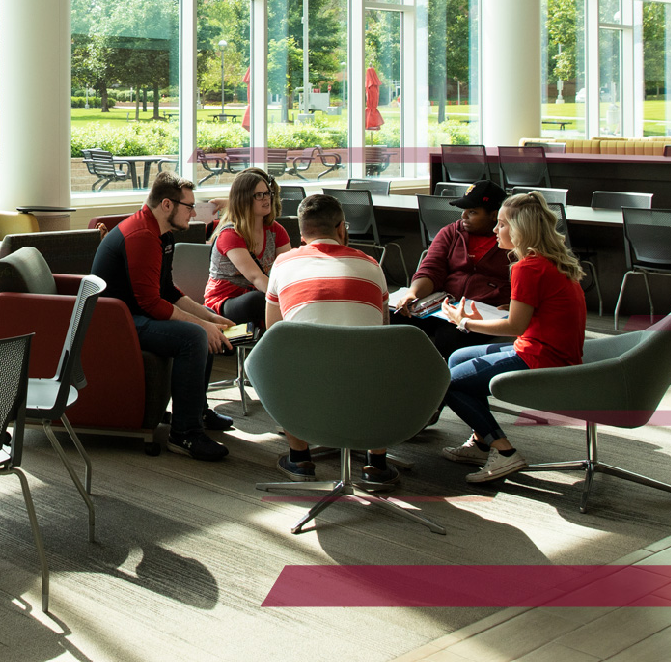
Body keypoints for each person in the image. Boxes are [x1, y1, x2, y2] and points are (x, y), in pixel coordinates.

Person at [438, 191, 587, 484]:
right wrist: (503, 314)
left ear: (521, 230)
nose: (495, 229)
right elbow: (531, 315)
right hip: (552, 349)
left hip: (542, 357)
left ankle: (504, 451)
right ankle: (481, 442)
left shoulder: (527, 267)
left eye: (502, 224)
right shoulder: (549, 261)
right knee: (458, 357)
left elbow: (515, 327)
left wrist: (465, 322)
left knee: (448, 381)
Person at [92, 171, 236, 461]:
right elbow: (150, 303)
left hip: (132, 312)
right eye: (189, 206)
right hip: (115, 322)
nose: (194, 212)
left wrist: (210, 318)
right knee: (195, 336)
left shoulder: (161, 234)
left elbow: (168, 291)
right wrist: (203, 325)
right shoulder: (142, 236)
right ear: (167, 205)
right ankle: (184, 434)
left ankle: (197, 411)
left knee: (202, 328)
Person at [261, 193, 399, 489]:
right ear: (341, 228)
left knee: (275, 359)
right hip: (367, 388)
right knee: (381, 357)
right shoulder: (372, 266)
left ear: (301, 232)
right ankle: (377, 464)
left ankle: (299, 458)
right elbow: (384, 327)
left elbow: (274, 333)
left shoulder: (283, 264)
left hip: (308, 386)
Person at [389, 179, 515, 356]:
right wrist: (413, 293)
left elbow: (525, 283)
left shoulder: (512, 241)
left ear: (494, 215)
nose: (463, 216)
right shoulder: (451, 232)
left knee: (449, 336)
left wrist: (514, 305)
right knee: (394, 317)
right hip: (443, 306)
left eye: (472, 212)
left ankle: (446, 382)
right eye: (463, 210)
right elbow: (431, 269)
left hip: (482, 314)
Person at [204, 170, 292, 331]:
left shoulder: (276, 231)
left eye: (267, 193)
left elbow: (287, 271)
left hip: (261, 296)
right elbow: (256, 277)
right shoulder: (230, 234)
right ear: (243, 200)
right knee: (258, 300)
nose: (266, 198)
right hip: (225, 302)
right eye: (258, 195)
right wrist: (288, 299)